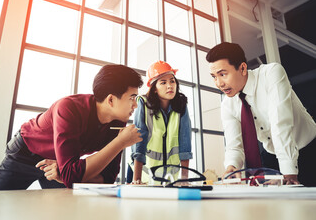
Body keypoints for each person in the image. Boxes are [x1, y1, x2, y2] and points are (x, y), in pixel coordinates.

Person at [0, 64, 143, 190]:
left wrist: (65, 174)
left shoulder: (117, 121)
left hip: (59, 164)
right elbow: (72, 176)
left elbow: (107, 178)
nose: (135, 105)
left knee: (64, 211)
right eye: (132, 98)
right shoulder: (69, 107)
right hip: (25, 154)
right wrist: (120, 142)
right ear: (111, 100)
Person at [206, 42, 316, 186]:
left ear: (243, 68)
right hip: (272, 157)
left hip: (308, 149)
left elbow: (280, 123)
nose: (219, 83)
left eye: (223, 74)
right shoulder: (228, 104)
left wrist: (288, 173)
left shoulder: (271, 73)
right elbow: (234, 144)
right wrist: (232, 167)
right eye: (214, 76)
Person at [131, 61, 193, 184]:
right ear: (154, 88)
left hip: (170, 178)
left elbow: (185, 142)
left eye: (172, 81)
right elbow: (139, 140)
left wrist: (184, 179)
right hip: (144, 176)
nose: (169, 86)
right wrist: (136, 179)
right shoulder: (143, 104)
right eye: (163, 83)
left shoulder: (181, 105)